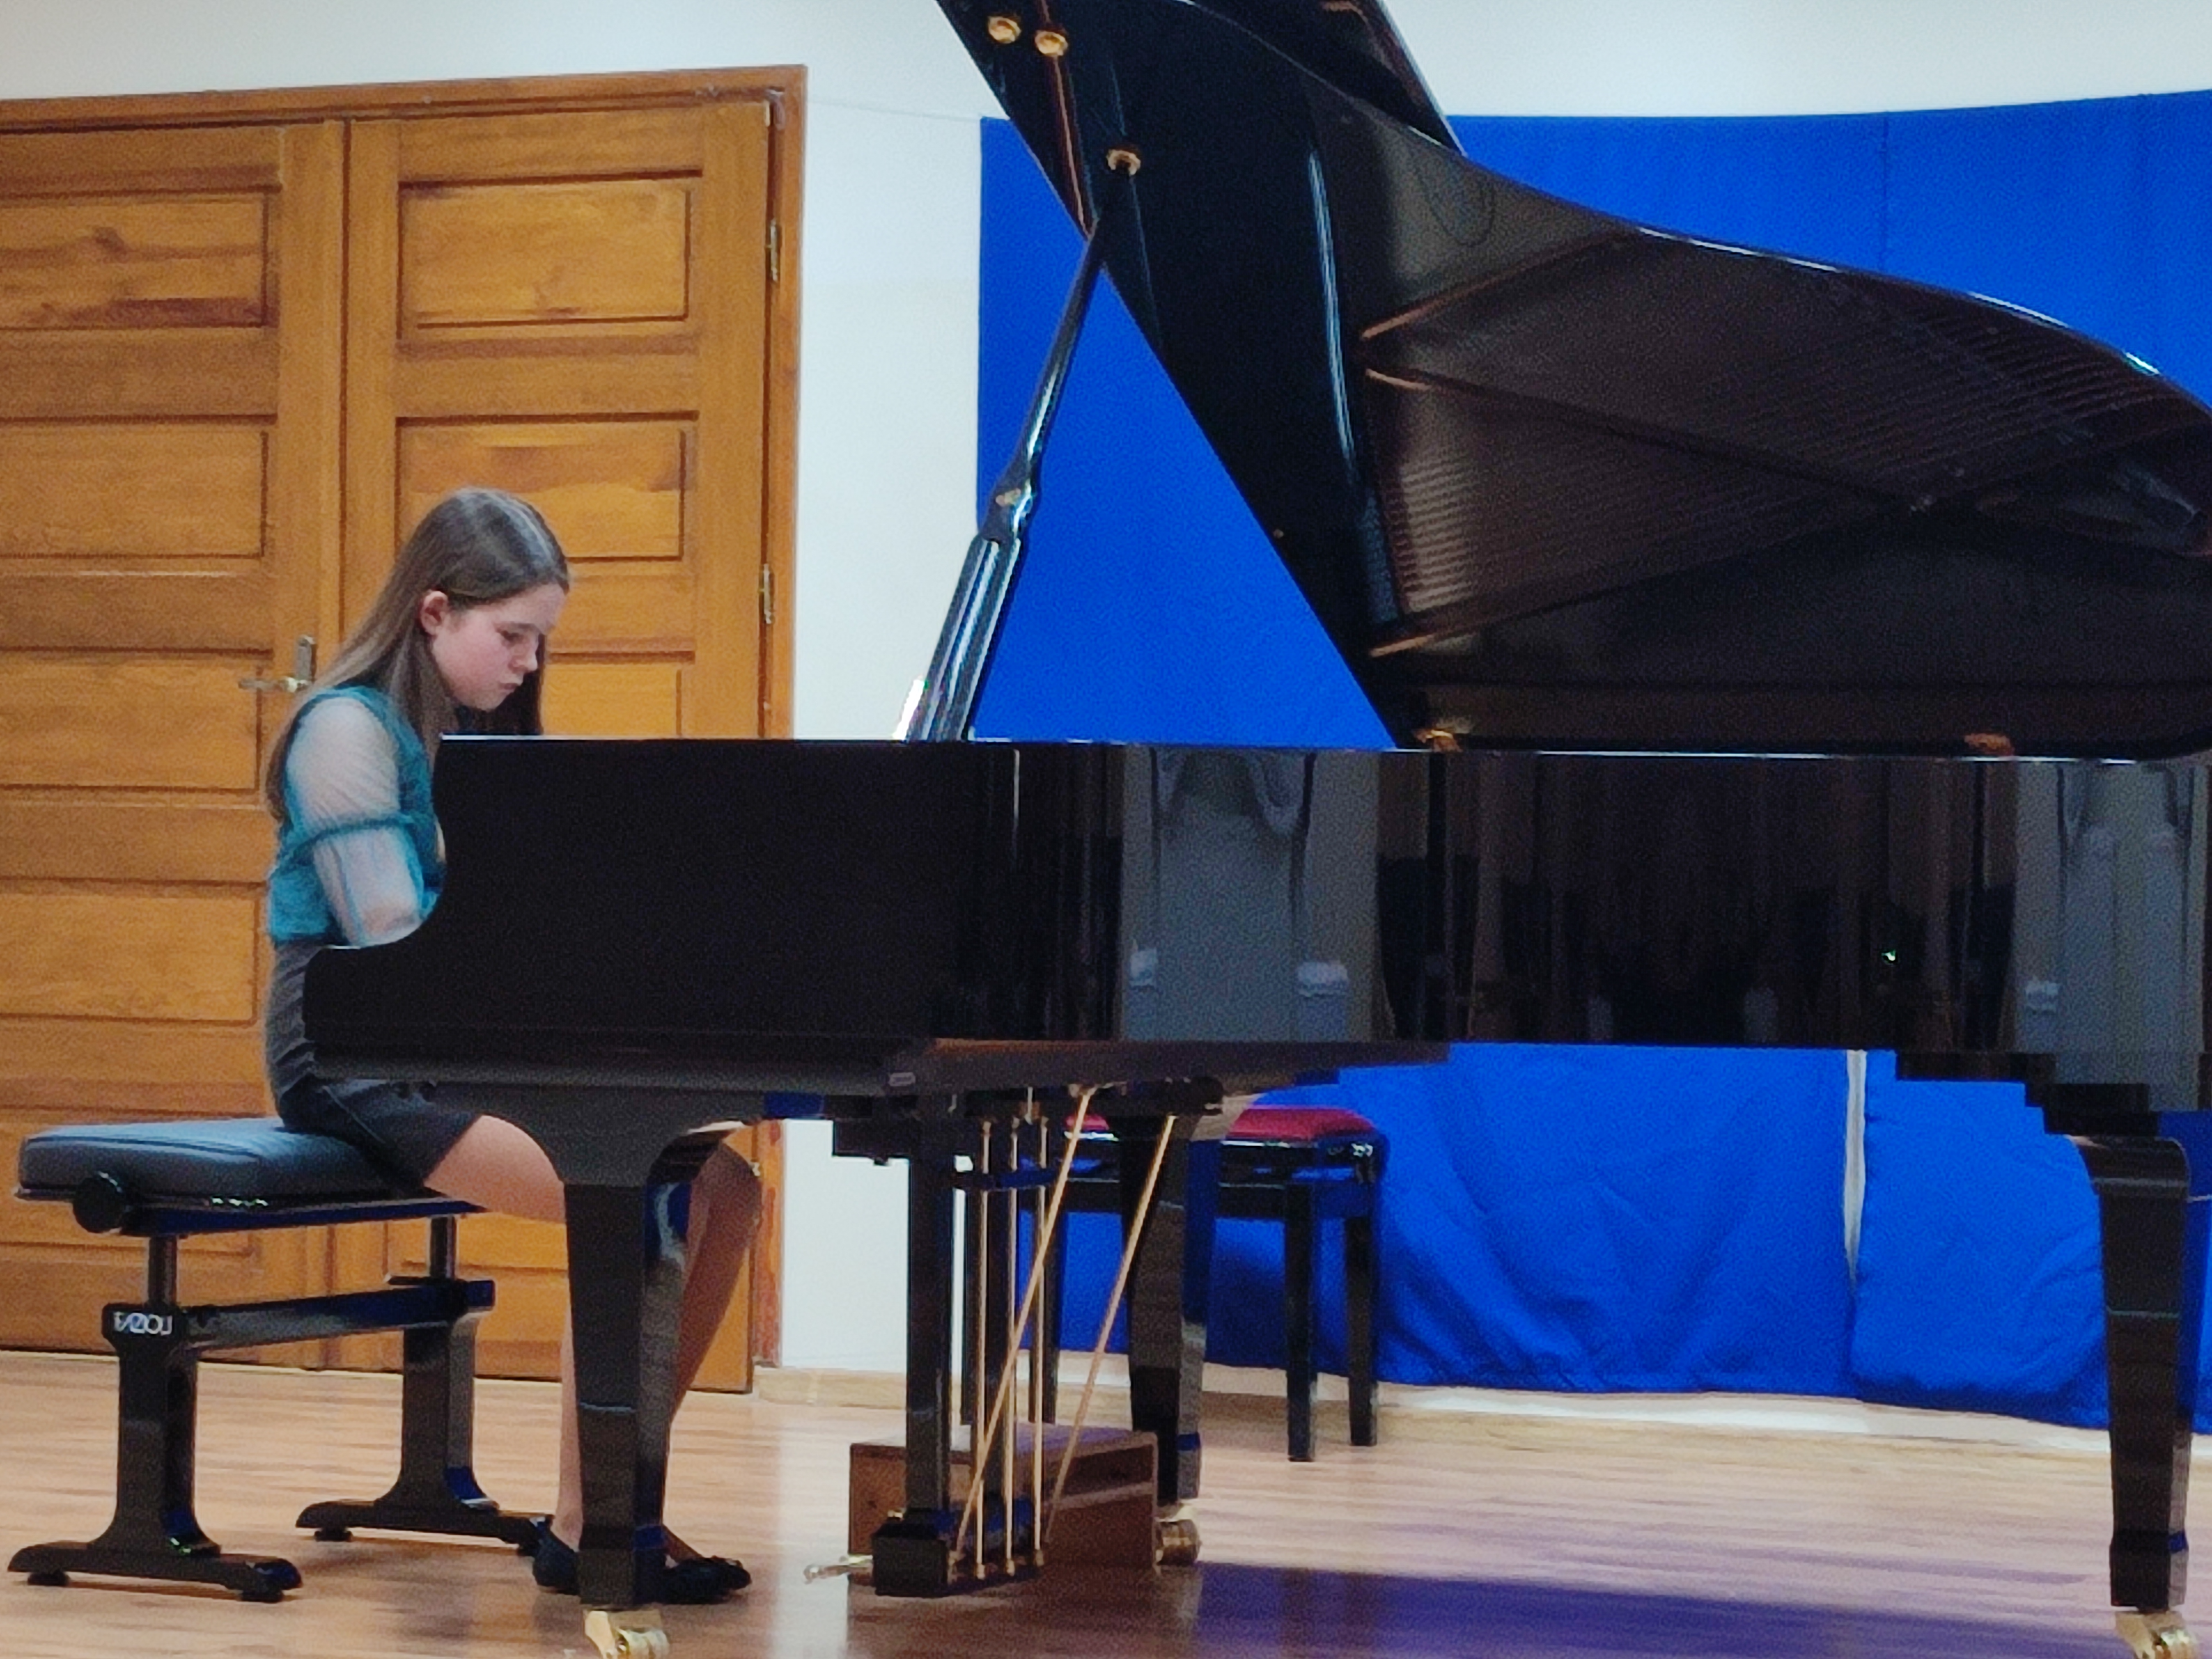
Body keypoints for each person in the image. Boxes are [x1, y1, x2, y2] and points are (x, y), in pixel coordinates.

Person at [262, 487, 759, 1601]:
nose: (531, 661)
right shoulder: (347, 727)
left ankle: (620, 1498)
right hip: (357, 1053)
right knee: (635, 1191)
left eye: (542, 639)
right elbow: (390, 939)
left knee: (725, 1191)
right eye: (514, 635)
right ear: (434, 611)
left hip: (455, 1036)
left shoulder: (479, 732)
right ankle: (595, 1527)